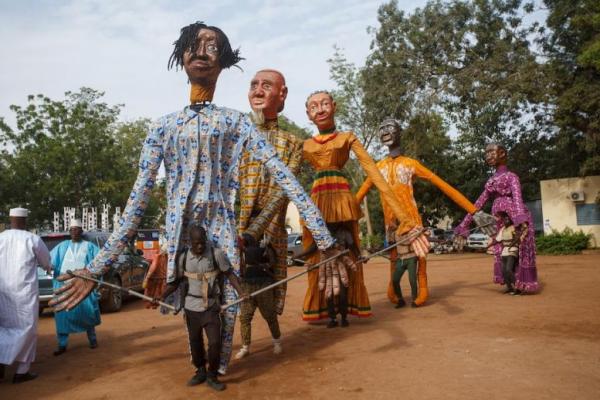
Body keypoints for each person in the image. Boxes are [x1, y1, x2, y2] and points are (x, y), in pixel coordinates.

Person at [50, 21, 343, 376]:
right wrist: (97, 268)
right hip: (179, 238)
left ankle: (218, 368)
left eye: (213, 46)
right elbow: (137, 201)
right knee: (190, 303)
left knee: (229, 301)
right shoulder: (163, 126)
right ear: (182, 55)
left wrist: (325, 241)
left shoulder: (235, 122)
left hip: (222, 229)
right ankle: (201, 366)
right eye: (194, 44)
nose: (202, 52)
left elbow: (285, 178)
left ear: (223, 62)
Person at [300, 91, 430, 322]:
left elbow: (375, 176)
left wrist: (406, 219)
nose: (319, 109)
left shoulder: (347, 138)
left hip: (341, 199)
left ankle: (347, 308)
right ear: (308, 114)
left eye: (324, 104)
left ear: (334, 106)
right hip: (317, 199)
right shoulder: (305, 145)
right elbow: (286, 179)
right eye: (313, 107)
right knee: (315, 254)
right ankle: (322, 308)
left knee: (349, 251)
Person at [355, 118, 488, 307]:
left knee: (420, 258)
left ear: (399, 133)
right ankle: (393, 291)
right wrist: (341, 212)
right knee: (394, 257)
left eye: (390, 127)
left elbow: (442, 185)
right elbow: (360, 194)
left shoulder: (410, 164)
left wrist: (473, 210)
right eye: (382, 128)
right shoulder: (378, 168)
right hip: (391, 224)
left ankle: (422, 289)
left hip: (412, 222)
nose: (385, 131)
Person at [236, 69, 303, 357]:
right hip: (237, 226)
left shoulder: (292, 143)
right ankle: (236, 345)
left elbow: (284, 190)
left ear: (282, 94)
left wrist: (257, 229)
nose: (258, 91)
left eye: (266, 85)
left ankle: (275, 338)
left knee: (271, 290)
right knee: (233, 292)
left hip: (272, 228)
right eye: (253, 85)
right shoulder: (236, 138)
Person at [161, 225, 245, 391]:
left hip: (211, 307)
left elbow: (229, 274)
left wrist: (241, 292)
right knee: (195, 342)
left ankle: (212, 375)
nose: (200, 246)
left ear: (206, 240)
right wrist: (162, 296)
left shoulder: (216, 254)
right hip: (191, 308)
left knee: (215, 343)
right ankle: (200, 371)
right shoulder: (183, 258)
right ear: (190, 242)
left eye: (202, 242)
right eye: (196, 243)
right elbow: (176, 282)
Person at [454, 143, 538, 293]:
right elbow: (478, 204)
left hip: (514, 217)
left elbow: (518, 198)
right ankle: (509, 283)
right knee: (501, 251)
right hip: (499, 219)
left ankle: (521, 283)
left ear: (502, 153)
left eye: (491, 152)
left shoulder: (511, 177)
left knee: (519, 250)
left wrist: (520, 220)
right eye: (486, 153)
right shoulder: (491, 180)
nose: (488, 156)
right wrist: (464, 224)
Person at [0, 207, 51, 383]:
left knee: (4, 328)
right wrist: (49, 268)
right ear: (25, 221)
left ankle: (1, 366)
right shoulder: (32, 239)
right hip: (24, 294)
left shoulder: (1, 238)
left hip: (3, 293)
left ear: (11, 219)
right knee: (27, 329)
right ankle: (22, 372)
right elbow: (46, 262)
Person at [50, 219, 101, 355]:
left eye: (76, 229)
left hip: (83, 286)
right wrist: (48, 266)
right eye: (71, 229)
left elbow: (99, 263)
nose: (74, 232)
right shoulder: (62, 246)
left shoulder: (90, 246)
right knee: (62, 315)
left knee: (87, 313)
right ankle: (62, 345)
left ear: (81, 231)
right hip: (64, 287)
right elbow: (51, 261)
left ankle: (93, 340)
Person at [235, 234, 282, 359]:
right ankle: (245, 347)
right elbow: (239, 266)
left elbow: (273, 262)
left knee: (270, 315)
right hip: (247, 285)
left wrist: (268, 249)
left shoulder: (266, 243)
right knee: (245, 317)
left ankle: (277, 342)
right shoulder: (241, 244)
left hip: (264, 284)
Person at [495, 211, 521, 294]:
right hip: (505, 251)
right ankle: (509, 287)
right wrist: (488, 246)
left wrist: (511, 245)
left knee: (509, 270)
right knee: (503, 271)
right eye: (504, 220)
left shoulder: (514, 228)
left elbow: (517, 238)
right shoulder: (502, 229)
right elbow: (497, 240)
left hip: (512, 250)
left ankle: (518, 288)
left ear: (510, 220)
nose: (505, 221)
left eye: (507, 219)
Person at [143, 242, 168, 309]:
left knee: (151, 292)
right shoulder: (166, 256)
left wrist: (147, 277)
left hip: (155, 277)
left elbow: (153, 266)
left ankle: (150, 304)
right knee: (158, 293)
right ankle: (154, 304)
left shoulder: (157, 256)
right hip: (162, 278)